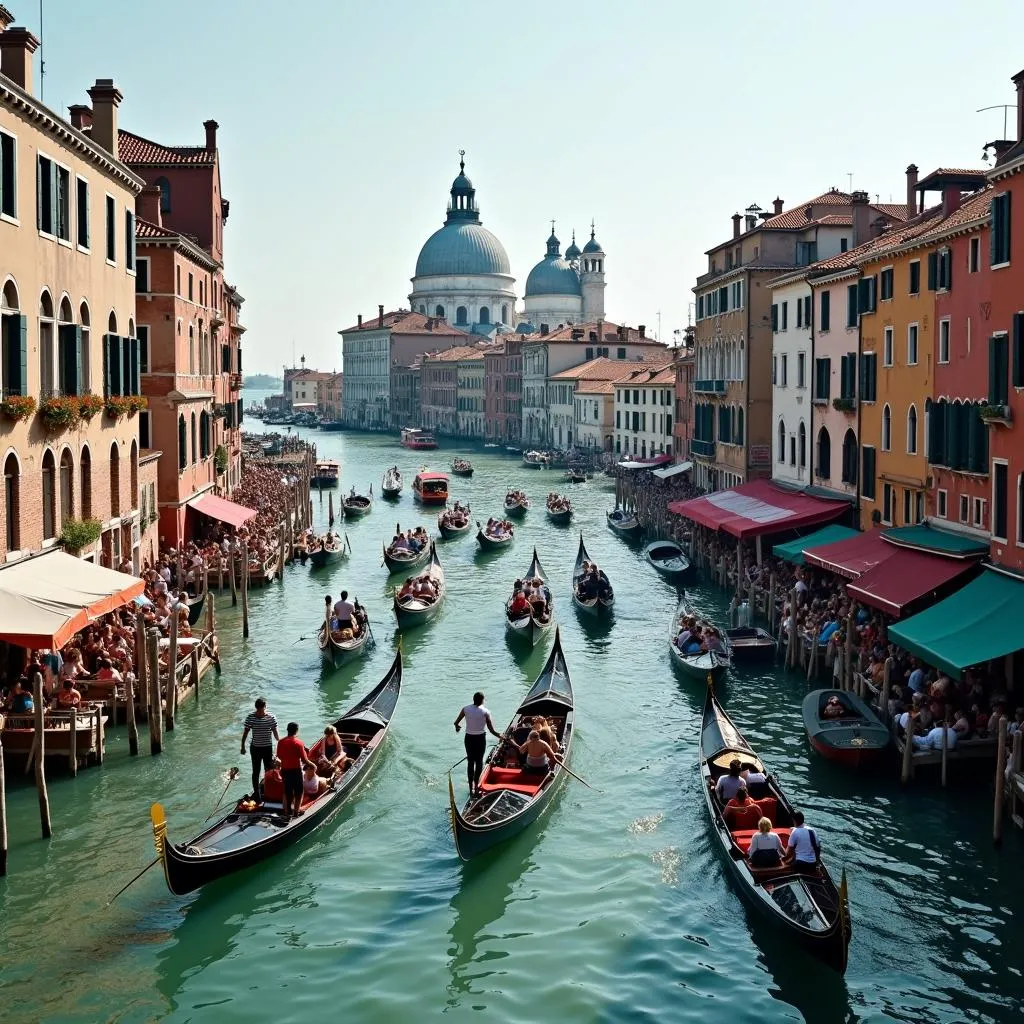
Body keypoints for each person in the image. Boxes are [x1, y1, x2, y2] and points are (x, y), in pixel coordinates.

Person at [454, 691, 502, 797]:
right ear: (482, 700)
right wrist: (500, 736)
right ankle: (476, 787)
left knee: (470, 762)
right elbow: (491, 730)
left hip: (469, 738)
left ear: (473, 699)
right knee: (479, 762)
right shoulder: (485, 712)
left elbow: (456, 722)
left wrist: (457, 727)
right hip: (480, 739)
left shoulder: (465, 709)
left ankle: (470, 788)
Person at [241, 698, 280, 796]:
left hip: (267, 748)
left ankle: (268, 791)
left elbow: (276, 734)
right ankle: (257, 793)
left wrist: (281, 744)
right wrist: (242, 747)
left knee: (268, 770)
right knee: (256, 771)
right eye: (260, 709)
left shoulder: (271, 717)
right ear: (258, 708)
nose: (262, 711)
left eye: (262, 709)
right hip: (255, 748)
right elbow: (245, 733)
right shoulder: (250, 717)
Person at [277, 722, 314, 817]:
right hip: (296, 771)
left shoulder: (280, 742)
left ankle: (286, 812)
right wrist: (313, 765)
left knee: (286, 792)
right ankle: (296, 812)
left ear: (287, 730)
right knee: (299, 792)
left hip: (284, 770)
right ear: (296, 731)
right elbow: (304, 760)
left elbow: (279, 756)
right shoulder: (299, 743)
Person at [785, 811, 821, 875]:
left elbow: (788, 852)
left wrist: (783, 858)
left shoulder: (794, 832)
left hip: (800, 864)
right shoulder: (812, 830)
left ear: (794, 821)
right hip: (812, 864)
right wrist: (817, 864)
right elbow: (818, 848)